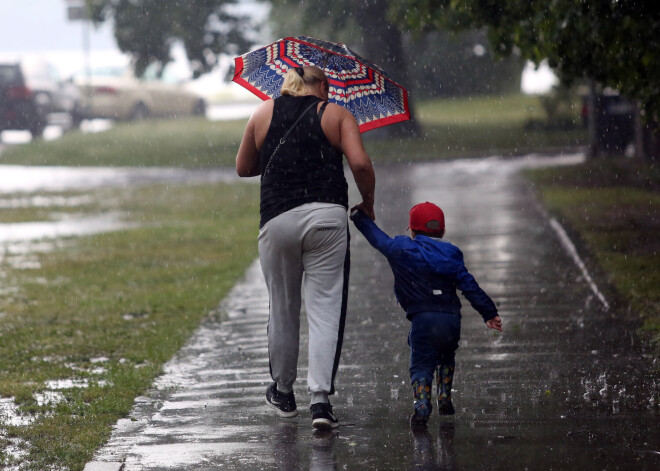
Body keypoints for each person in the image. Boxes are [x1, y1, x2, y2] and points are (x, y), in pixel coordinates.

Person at [236, 65, 376, 430]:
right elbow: (359, 163)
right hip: (327, 218)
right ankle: (320, 402)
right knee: (325, 307)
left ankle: (283, 392)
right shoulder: (336, 114)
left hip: (277, 219)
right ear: (324, 86)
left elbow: (243, 167)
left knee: (283, 308)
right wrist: (369, 202)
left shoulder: (263, 112)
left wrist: (278, 161)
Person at [350, 201, 502, 426]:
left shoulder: (401, 250)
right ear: (443, 231)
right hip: (451, 320)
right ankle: (444, 396)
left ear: (411, 230)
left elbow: (378, 239)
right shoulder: (451, 254)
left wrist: (359, 217)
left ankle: (422, 405)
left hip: (423, 319)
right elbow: (469, 285)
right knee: (446, 355)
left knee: (421, 362)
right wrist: (489, 312)